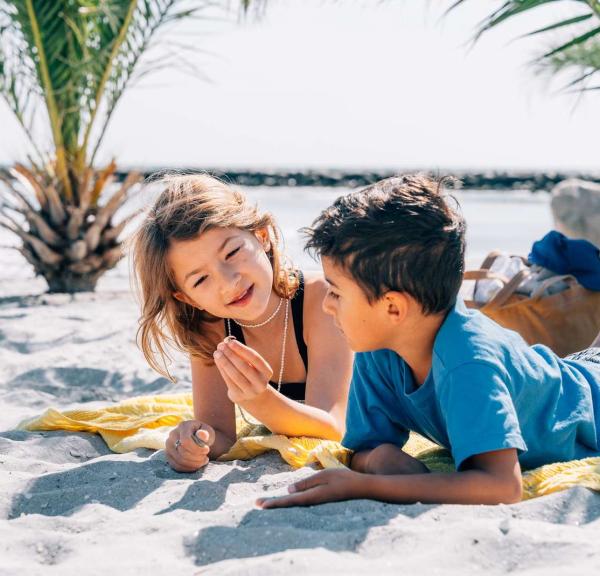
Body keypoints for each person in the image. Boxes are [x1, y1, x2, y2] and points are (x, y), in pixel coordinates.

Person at [257, 174, 600, 508]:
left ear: (393, 307)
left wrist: (366, 486)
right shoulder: (376, 347)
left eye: (335, 292)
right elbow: (364, 447)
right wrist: (379, 460)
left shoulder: (469, 363)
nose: (326, 305)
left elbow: (502, 485)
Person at [132, 174, 353, 472]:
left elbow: (333, 427)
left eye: (232, 253)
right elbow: (220, 433)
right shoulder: (210, 330)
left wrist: (261, 401)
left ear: (262, 236)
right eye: (200, 279)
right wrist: (195, 441)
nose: (228, 282)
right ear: (187, 298)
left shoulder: (322, 301)